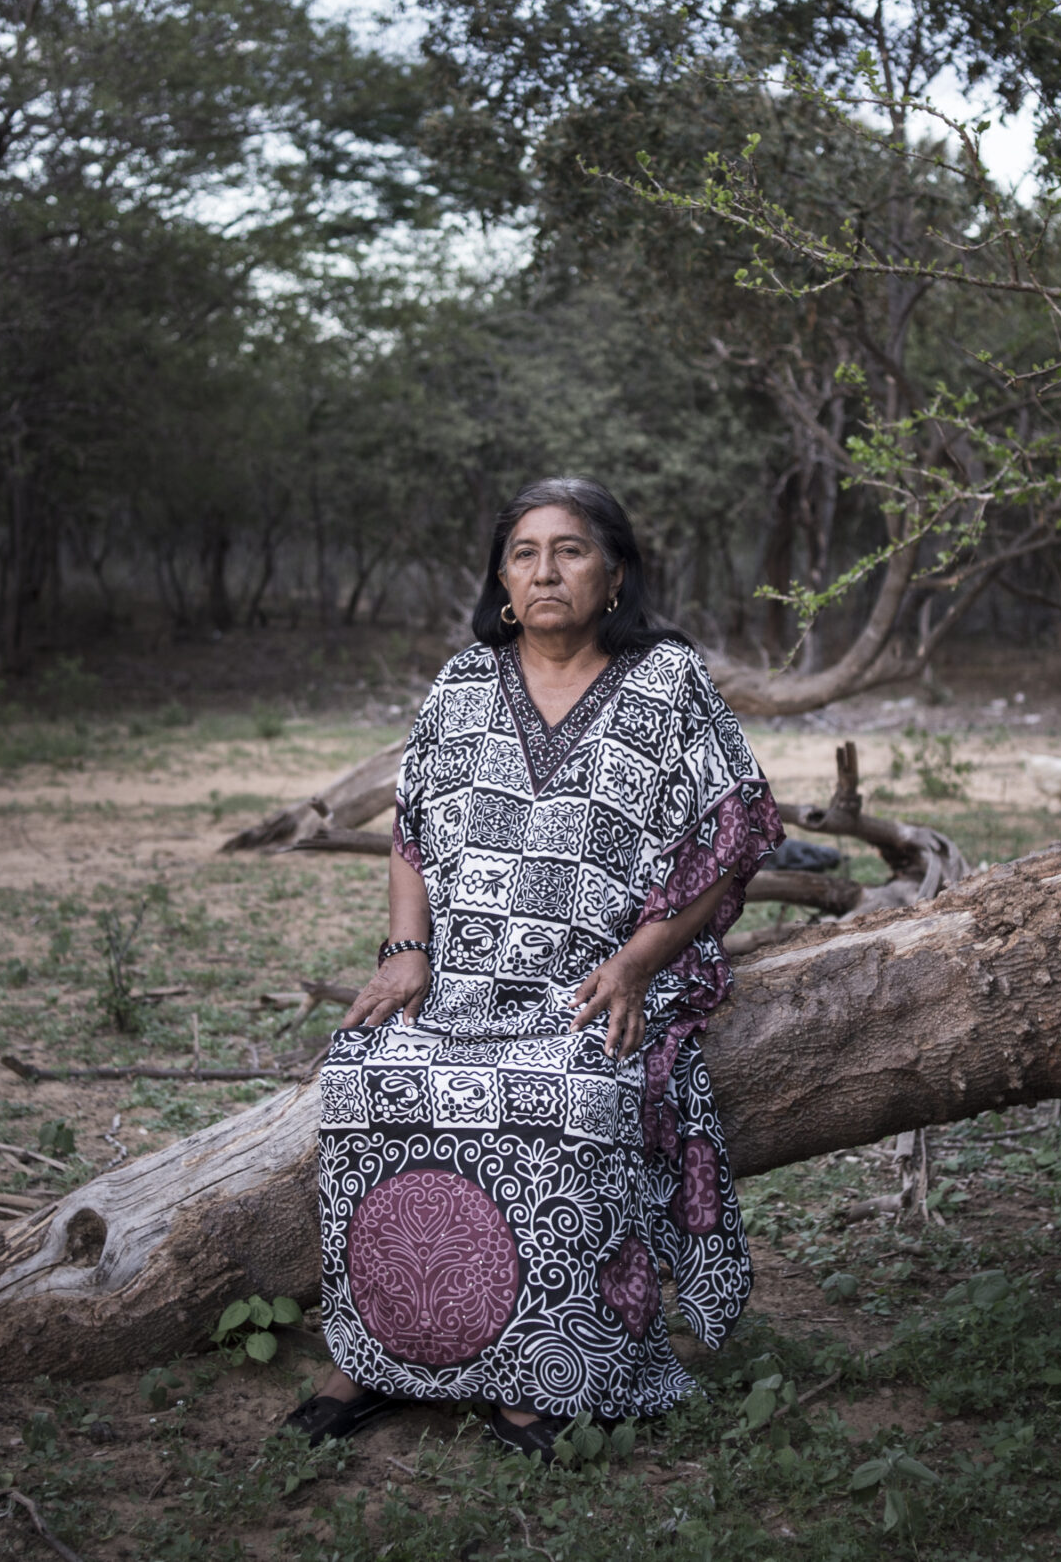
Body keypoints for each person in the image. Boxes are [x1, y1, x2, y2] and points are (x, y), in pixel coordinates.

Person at [280, 477, 782, 1461]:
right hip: (464, 975)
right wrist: (405, 952)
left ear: (615, 574)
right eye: (523, 553)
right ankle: (375, 1350)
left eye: (570, 550)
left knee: (570, 1091)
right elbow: (411, 832)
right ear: (503, 581)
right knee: (364, 1075)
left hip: (599, 977)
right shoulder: (463, 682)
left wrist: (640, 964)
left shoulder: (668, 683)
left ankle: (542, 1375)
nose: (545, 570)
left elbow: (735, 834)